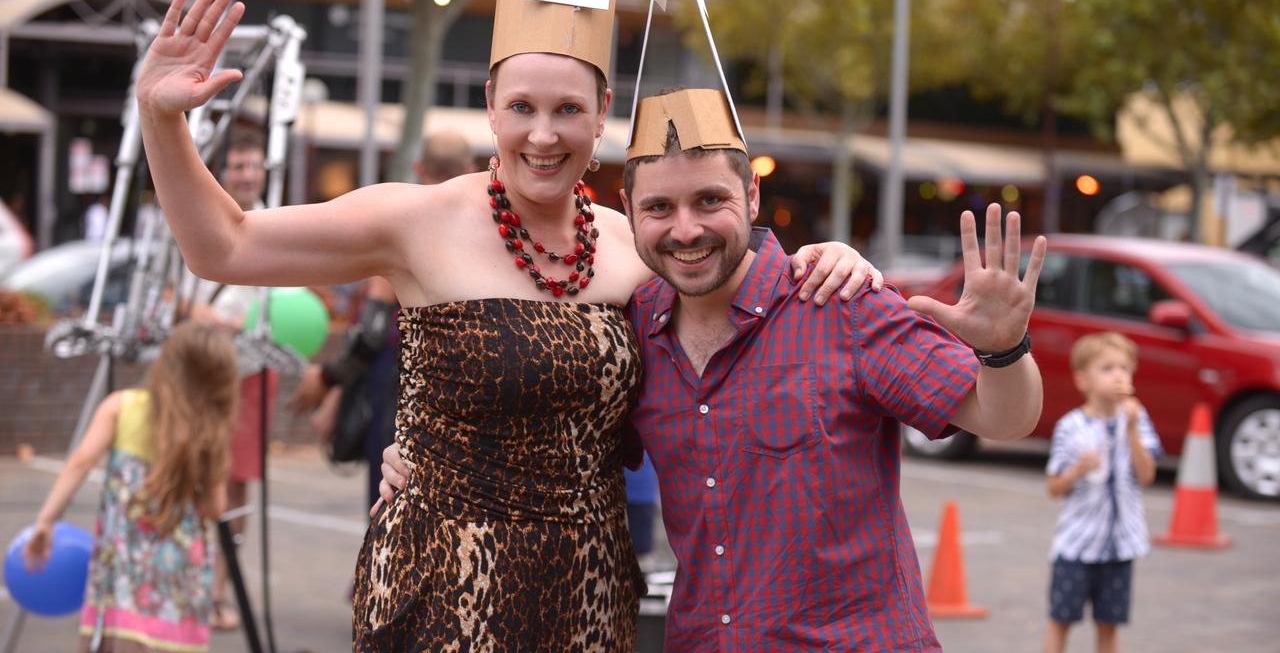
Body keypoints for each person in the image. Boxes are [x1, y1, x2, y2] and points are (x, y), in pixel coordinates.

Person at [134, 0, 874, 650]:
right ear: (490, 106)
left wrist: (836, 260)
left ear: (603, 114)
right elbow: (224, 246)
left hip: (590, 592)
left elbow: (750, 314)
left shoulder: (636, 248)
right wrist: (161, 120)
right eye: (521, 107)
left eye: (567, 110)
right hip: (443, 585)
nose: (543, 135)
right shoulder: (417, 221)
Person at [380, 86, 1050, 651]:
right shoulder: (634, 329)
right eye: (659, 209)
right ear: (632, 218)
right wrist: (428, 462)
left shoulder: (840, 303)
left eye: (709, 201)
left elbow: (1005, 417)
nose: (686, 229)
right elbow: (553, 446)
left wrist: (1003, 349)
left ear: (752, 199)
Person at [23, 321, 240, 653]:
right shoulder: (211, 430)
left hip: (125, 576)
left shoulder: (121, 406)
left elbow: (80, 462)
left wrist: (46, 520)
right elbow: (215, 507)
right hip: (179, 582)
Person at [289, 130, 475, 512]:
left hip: (401, 395)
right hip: (470, 399)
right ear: (471, 170)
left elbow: (372, 335)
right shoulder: (485, 232)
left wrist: (327, 381)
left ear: (419, 168)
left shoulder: (406, 231)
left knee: (390, 513)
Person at [176, 125, 278, 631]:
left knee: (237, 487)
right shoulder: (197, 214)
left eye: (253, 165)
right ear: (224, 171)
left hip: (255, 375)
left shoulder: (282, 220)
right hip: (204, 374)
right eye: (237, 165)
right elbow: (175, 298)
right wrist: (213, 320)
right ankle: (185, 587)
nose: (246, 174)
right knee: (194, 478)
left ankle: (218, 591)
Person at [1044, 332, 1161, 653]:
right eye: (1107, 368)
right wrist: (1077, 471)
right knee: (1061, 619)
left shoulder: (1138, 418)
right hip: (1077, 545)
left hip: (1121, 546)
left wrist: (1133, 428)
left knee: (1109, 625)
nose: (1119, 375)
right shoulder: (1070, 426)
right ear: (1083, 380)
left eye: (1125, 367)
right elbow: (1053, 487)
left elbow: (1147, 475)